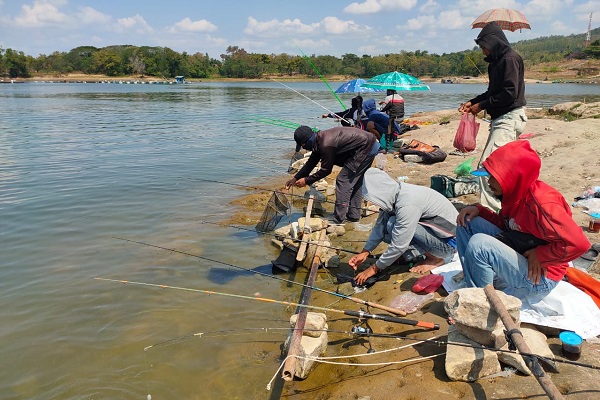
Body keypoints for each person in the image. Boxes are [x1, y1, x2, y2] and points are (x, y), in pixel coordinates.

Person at [456, 140, 590, 301]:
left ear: (512, 177)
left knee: (480, 244)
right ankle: (474, 285)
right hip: (522, 253)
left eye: (493, 177)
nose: (489, 182)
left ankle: (481, 303)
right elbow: (507, 225)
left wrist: (541, 255)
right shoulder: (515, 194)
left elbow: (579, 244)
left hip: (541, 277)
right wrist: (480, 210)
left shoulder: (543, 204)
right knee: (467, 222)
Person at [459, 22, 527, 212]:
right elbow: (492, 92)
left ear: (493, 42)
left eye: (484, 47)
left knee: (488, 167)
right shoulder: (496, 63)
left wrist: (481, 106)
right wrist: (473, 102)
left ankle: (492, 212)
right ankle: (507, 208)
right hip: (500, 120)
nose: (483, 52)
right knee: (503, 169)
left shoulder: (510, 59)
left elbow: (509, 93)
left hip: (509, 118)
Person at [349, 168, 458, 285]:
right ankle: (413, 254)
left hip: (449, 244)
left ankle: (436, 258)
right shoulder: (395, 194)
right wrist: (365, 251)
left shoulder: (408, 204)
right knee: (390, 223)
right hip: (435, 234)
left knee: (394, 225)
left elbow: (399, 245)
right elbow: (379, 226)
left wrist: (373, 269)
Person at [285, 125, 379, 225]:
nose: (304, 147)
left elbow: (326, 170)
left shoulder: (325, 144)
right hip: (370, 144)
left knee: (343, 181)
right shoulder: (318, 141)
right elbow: (310, 163)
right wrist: (295, 178)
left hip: (365, 147)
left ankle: (338, 219)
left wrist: (307, 181)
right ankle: (353, 215)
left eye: (303, 145)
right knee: (355, 181)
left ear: (307, 141)